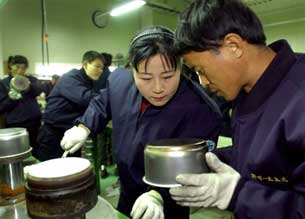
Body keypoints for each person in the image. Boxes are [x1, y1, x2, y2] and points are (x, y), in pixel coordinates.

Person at [60, 26, 222, 219]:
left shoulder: (200, 109)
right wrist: (84, 127)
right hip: (127, 190)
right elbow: (101, 103)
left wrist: (157, 196)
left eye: (168, 76)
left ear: (180, 66)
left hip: (168, 201)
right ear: (132, 69)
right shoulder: (119, 81)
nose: (158, 88)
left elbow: (194, 168)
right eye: (145, 77)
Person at [168, 0, 305, 218]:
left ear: (233, 46)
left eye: (200, 69)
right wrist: (203, 161)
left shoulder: (299, 99)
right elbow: (259, 159)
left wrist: (238, 194)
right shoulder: (247, 91)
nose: (202, 82)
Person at [35, 50, 104, 161]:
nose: (100, 71)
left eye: (102, 68)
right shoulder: (71, 78)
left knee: (71, 169)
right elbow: (86, 98)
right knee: (52, 171)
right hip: (53, 134)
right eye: (97, 66)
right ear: (85, 64)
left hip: (69, 133)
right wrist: (109, 97)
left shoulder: (88, 81)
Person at [0, 55, 43, 157]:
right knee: (18, 153)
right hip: (16, 125)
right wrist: (12, 99)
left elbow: (38, 90)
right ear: (11, 66)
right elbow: (1, 107)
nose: (20, 70)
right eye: (17, 67)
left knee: (36, 151)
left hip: (34, 123)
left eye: (23, 68)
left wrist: (28, 87)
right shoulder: (3, 83)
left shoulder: (31, 80)